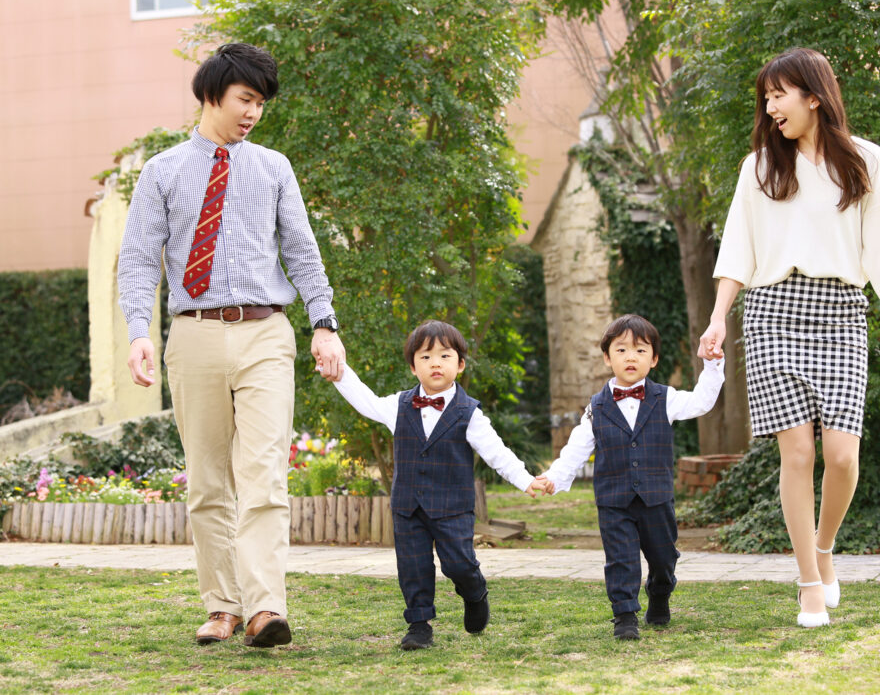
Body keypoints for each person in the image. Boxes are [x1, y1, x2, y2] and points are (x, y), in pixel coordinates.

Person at [118, 43, 345, 647]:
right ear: (213, 93)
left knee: (265, 475)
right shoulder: (161, 172)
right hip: (192, 334)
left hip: (267, 332)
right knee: (208, 481)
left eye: (262, 104)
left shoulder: (274, 168)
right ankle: (223, 605)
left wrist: (324, 323)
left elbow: (301, 249)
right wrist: (138, 332)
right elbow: (139, 259)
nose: (253, 113)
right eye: (246, 99)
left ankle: (266, 607)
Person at [699, 47, 880, 628]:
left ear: (813, 96)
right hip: (771, 311)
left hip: (842, 312)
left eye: (779, 95)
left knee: (842, 456)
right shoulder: (759, 168)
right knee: (796, 454)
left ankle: (824, 549)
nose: (770, 109)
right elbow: (737, 249)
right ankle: (808, 583)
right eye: (765, 98)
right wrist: (720, 316)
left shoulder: (865, 160)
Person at [330, 320, 549, 650]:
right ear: (413, 367)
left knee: (458, 563)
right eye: (426, 357)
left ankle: (474, 592)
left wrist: (525, 480)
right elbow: (365, 400)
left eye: (445, 356)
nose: (435, 363)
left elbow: (496, 452)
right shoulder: (398, 406)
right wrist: (339, 371)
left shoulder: (468, 412)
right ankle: (419, 625)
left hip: (453, 507)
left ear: (459, 365)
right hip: (408, 506)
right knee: (413, 567)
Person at [539, 314, 724, 640]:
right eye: (621, 350)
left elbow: (702, 402)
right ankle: (625, 616)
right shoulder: (596, 407)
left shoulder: (665, 398)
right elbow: (577, 448)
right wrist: (555, 477)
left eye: (640, 350)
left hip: (656, 497)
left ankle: (660, 593)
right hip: (614, 500)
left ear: (653, 360)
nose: (630, 357)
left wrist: (712, 365)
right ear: (607, 358)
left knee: (664, 558)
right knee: (621, 559)